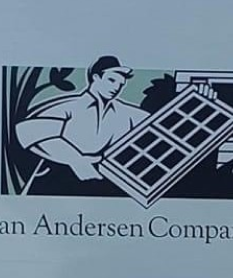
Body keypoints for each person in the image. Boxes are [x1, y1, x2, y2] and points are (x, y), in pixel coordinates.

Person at [15, 55, 149, 190]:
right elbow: (27, 133)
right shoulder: (71, 106)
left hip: (105, 179)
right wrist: (76, 160)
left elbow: (155, 122)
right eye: (111, 80)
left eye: (120, 85)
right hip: (59, 178)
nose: (116, 88)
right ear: (96, 77)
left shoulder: (124, 111)